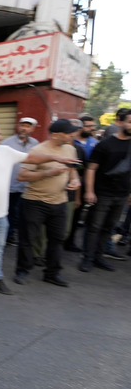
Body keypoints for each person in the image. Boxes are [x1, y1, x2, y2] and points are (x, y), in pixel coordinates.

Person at [0, 123, 80, 294]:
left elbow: (31, 158)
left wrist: (57, 158)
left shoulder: (5, 152)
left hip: (0, 214)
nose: (0, 137)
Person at [13, 119, 81, 286]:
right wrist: (48, 173)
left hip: (59, 202)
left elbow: (72, 170)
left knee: (57, 239)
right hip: (34, 202)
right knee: (28, 239)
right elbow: (21, 176)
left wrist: (75, 180)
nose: (72, 135)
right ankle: (22, 270)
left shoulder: (70, 149)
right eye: (68, 133)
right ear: (56, 135)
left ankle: (52, 273)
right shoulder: (37, 150)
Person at [79, 110, 131, 272]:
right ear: (121, 122)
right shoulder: (105, 144)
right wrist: (89, 191)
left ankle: (98, 257)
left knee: (109, 227)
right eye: (130, 122)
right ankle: (87, 259)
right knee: (94, 227)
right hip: (102, 193)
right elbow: (91, 169)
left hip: (121, 194)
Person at [2, 117, 40, 245]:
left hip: (26, 186)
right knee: (8, 212)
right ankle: (6, 236)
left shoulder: (35, 143)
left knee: (21, 213)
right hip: (9, 185)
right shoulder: (7, 143)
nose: (24, 128)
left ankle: (13, 235)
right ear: (18, 126)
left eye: (28, 126)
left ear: (33, 129)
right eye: (22, 125)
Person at [66, 115, 98, 252]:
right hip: (53, 192)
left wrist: (78, 196)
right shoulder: (52, 148)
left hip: (73, 191)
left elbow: (79, 172)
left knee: (73, 218)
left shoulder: (80, 150)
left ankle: (69, 242)